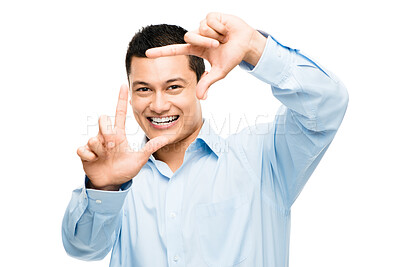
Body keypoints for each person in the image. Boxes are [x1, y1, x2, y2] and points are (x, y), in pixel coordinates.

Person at [62, 13, 348, 267]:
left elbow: (327, 104)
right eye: (144, 89)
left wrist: (253, 48)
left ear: (200, 83)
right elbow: (83, 249)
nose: (158, 105)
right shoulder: (120, 181)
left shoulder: (263, 158)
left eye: (173, 86)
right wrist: (105, 188)